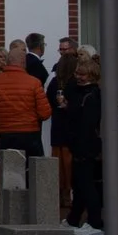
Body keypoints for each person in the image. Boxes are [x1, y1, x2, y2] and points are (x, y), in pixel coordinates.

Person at [63, 52, 108, 228]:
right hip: (79, 143)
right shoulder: (80, 91)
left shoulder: (92, 96)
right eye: (77, 74)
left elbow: (88, 124)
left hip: (86, 144)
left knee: (87, 184)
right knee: (80, 184)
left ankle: (95, 221)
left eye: (82, 75)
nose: (78, 77)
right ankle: (74, 218)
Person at [0, 44, 53, 159]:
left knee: (10, 171)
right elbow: (45, 113)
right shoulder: (34, 83)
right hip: (30, 133)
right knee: (33, 172)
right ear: (23, 62)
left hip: (5, 134)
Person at [48, 36, 79, 207]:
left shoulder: (54, 82)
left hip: (58, 122)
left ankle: (60, 191)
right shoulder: (76, 83)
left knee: (57, 156)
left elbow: (48, 100)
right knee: (68, 158)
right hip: (71, 123)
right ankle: (68, 190)